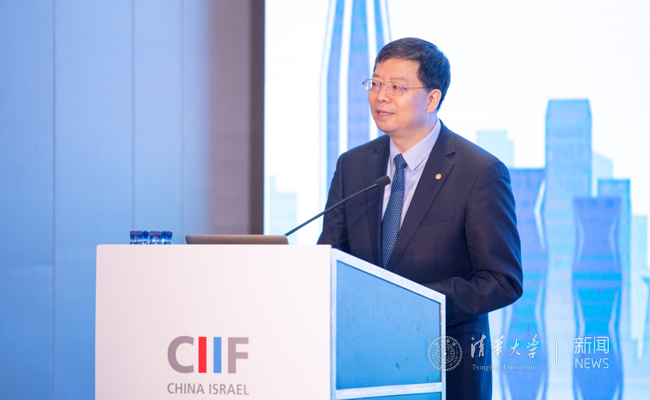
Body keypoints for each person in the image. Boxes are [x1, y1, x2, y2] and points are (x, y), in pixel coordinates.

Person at [318, 37, 523, 400]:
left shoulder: (478, 172)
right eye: (375, 83)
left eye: (396, 87)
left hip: (444, 366)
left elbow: (502, 280)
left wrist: (414, 304)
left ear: (432, 99)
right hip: (360, 365)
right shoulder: (353, 165)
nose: (380, 97)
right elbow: (330, 259)